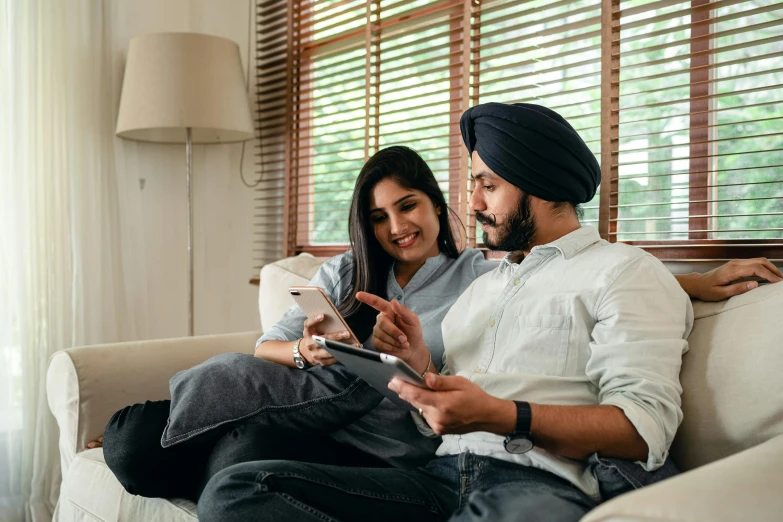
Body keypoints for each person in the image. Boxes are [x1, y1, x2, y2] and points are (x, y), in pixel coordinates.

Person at [196, 102, 783, 522]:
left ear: (543, 186)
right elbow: (438, 417)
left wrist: (504, 415)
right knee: (236, 491)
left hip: (534, 486)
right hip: (432, 479)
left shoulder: (623, 272)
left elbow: (642, 430)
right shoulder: (482, 287)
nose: (471, 203)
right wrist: (416, 365)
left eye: (488, 185)